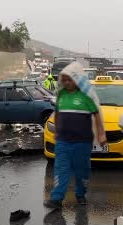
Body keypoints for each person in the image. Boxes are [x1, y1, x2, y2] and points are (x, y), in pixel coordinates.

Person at [43, 62, 106, 209]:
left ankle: (80, 194)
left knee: (81, 171)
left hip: (82, 142)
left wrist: (101, 134)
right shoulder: (62, 95)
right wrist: (57, 130)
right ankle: (56, 198)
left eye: (69, 79)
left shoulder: (85, 97)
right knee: (61, 169)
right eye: (64, 80)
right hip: (63, 141)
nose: (66, 82)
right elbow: (57, 113)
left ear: (77, 80)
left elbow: (97, 115)